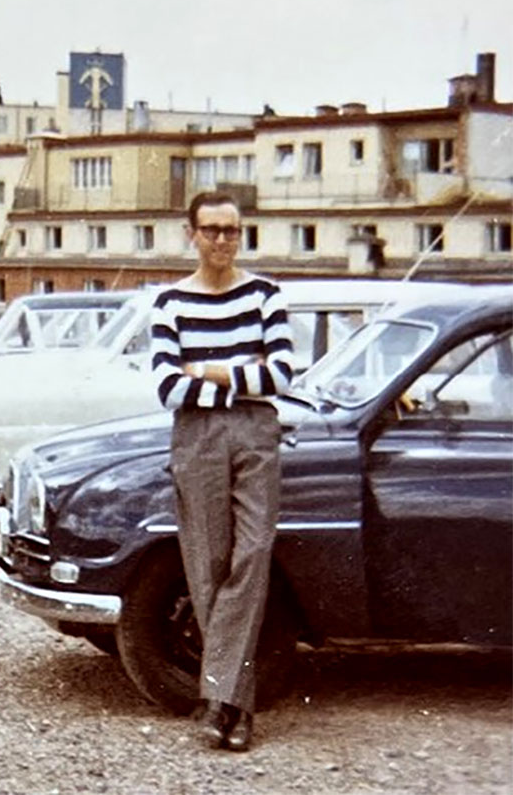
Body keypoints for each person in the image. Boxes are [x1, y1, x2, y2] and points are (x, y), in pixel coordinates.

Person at [150, 191, 293, 752]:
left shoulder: (266, 294)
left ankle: (221, 699)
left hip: (255, 432)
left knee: (252, 554)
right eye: (212, 230)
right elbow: (167, 386)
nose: (224, 241)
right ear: (192, 234)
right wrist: (242, 371)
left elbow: (280, 372)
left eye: (233, 231)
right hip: (198, 436)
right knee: (207, 564)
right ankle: (235, 705)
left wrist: (206, 367)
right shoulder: (169, 303)